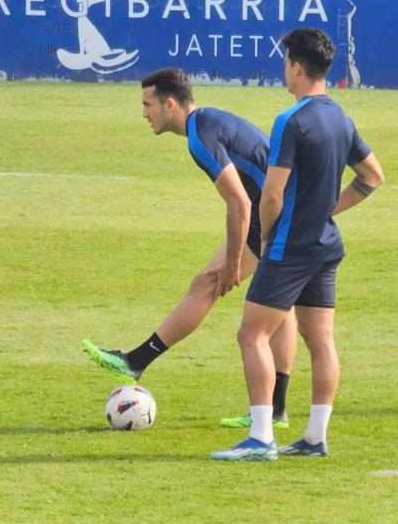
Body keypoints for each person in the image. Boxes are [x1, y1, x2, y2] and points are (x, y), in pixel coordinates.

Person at [82, 68, 297, 429]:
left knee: (216, 285)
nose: (144, 113)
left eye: (148, 104)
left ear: (170, 104)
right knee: (275, 305)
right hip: (279, 211)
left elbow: (239, 203)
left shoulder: (200, 136)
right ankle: (275, 409)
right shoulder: (206, 123)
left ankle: (136, 360)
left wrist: (232, 264)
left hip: (276, 215)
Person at [213, 29, 382, 461]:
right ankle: (314, 438)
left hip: (290, 247)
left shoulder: (292, 119)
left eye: (285, 60)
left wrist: (268, 234)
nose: (283, 69)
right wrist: (328, 210)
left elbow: (271, 195)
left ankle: (261, 437)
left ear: (297, 67)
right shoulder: (341, 118)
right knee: (320, 341)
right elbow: (372, 177)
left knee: (251, 334)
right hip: (326, 246)